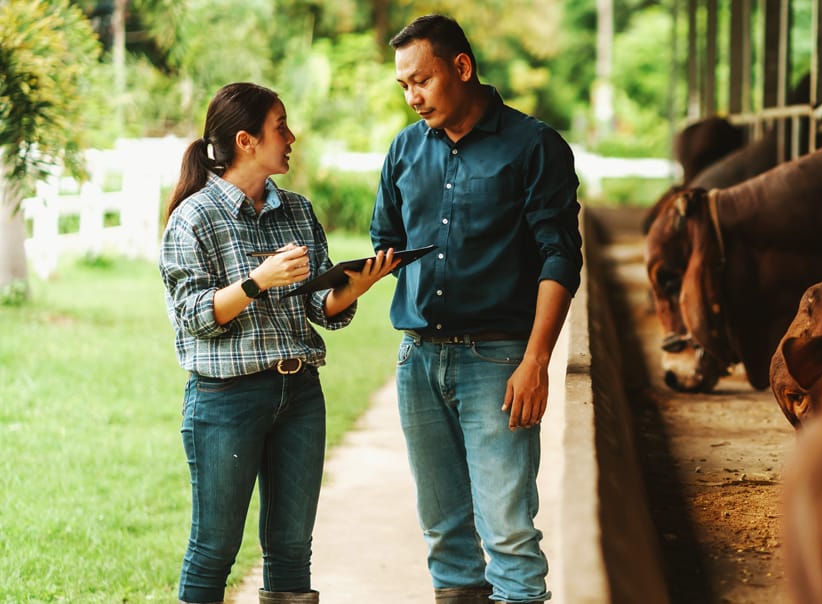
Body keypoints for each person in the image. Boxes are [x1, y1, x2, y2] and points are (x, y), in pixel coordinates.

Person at [159, 82, 400, 604]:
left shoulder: (297, 210)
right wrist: (258, 280)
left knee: (292, 548)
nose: (291, 137)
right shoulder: (194, 218)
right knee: (214, 548)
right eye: (280, 127)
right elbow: (194, 316)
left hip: (300, 396)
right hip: (226, 401)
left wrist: (353, 287)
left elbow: (317, 307)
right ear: (246, 140)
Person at [371, 14, 582, 604]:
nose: (412, 97)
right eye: (403, 86)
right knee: (445, 538)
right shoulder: (405, 150)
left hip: (498, 364)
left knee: (509, 535)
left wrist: (535, 360)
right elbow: (386, 240)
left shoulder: (533, 146)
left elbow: (560, 258)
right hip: (418, 362)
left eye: (422, 81)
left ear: (461, 68)